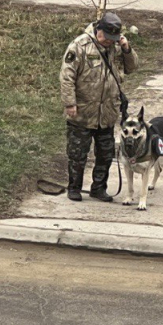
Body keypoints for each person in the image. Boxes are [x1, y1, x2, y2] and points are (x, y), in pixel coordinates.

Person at [60, 12, 138, 202]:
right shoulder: (79, 46)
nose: (109, 42)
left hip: (107, 111)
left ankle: (98, 188)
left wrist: (126, 48)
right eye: (107, 38)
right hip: (83, 111)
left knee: (105, 153)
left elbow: (132, 67)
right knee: (78, 153)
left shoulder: (116, 47)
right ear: (99, 30)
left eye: (114, 39)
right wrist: (70, 103)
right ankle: (74, 188)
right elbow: (66, 76)